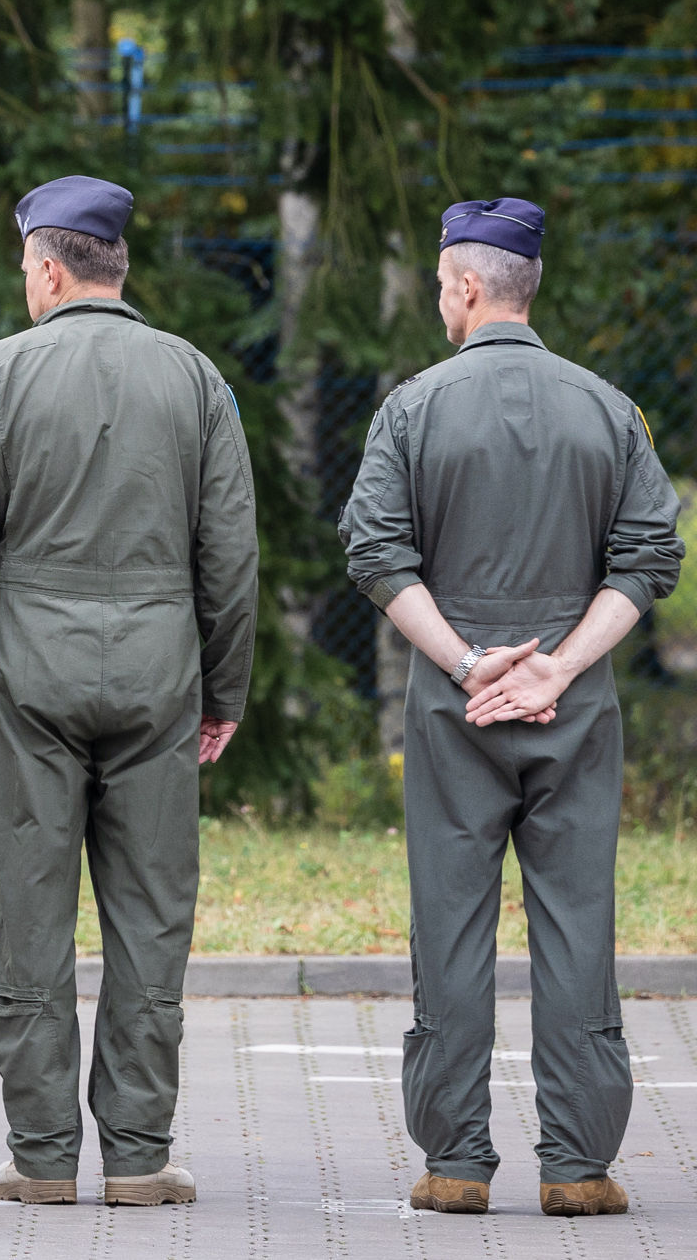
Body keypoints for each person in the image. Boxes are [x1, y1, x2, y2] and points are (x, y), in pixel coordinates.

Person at [341, 197, 682, 1219]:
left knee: (448, 922)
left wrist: (466, 664)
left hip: (455, 710)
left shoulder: (410, 408)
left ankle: (454, 1163)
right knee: (575, 922)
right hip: (571, 707)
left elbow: (374, 552)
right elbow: (647, 556)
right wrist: (555, 668)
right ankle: (576, 1166)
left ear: (463, 286)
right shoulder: (608, 410)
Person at [0, 175, 259, 1208]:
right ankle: (139, 1154)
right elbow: (230, 552)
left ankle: (37, 1156)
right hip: (159, 666)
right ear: (120, 269)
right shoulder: (192, 378)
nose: (24, 283)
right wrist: (222, 685)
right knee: (150, 916)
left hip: (31, 672)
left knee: (31, 913)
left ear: (50, 267)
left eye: (26, 266)